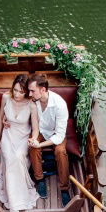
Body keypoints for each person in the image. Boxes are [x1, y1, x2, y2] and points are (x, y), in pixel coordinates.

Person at [0, 74, 40, 212]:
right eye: (15, 90)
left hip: (23, 137)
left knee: (18, 157)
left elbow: (35, 128)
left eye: (21, 92)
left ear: (27, 92)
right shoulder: (6, 97)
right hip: (8, 134)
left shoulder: (31, 105)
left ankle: (18, 196)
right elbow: (0, 117)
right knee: (10, 157)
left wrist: (33, 139)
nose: (17, 94)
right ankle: (14, 204)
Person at [27, 74, 71, 205]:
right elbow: (35, 126)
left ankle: (64, 188)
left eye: (32, 91)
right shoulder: (34, 101)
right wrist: (35, 140)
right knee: (32, 148)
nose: (30, 94)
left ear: (43, 90)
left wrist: (40, 145)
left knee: (60, 152)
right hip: (40, 131)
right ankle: (40, 180)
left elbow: (59, 136)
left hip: (56, 133)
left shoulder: (60, 105)